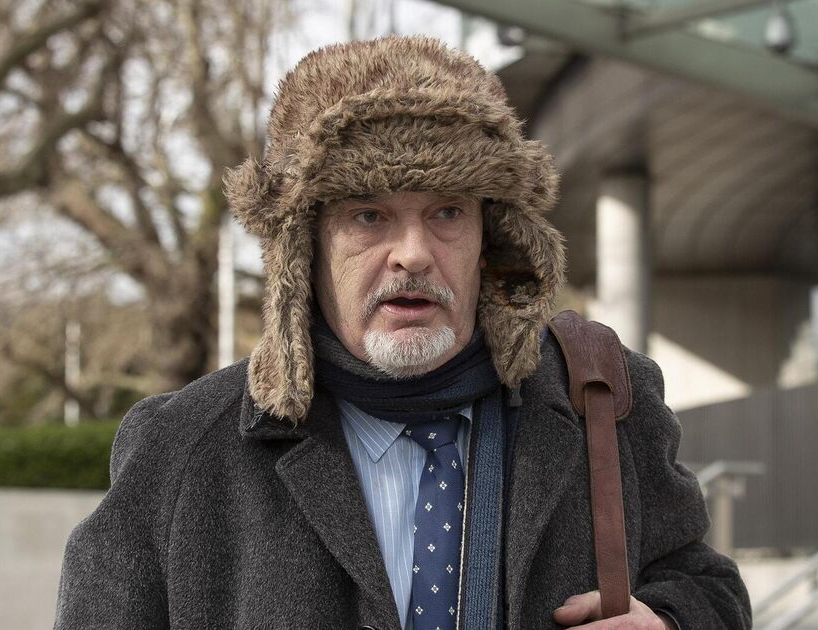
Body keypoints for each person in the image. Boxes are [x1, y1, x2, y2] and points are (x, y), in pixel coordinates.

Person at [54, 35, 751, 630]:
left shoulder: (599, 399)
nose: (413, 254)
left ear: (489, 235)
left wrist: (672, 620)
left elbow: (707, 586)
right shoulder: (180, 451)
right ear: (305, 247)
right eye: (368, 215)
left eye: (447, 212)